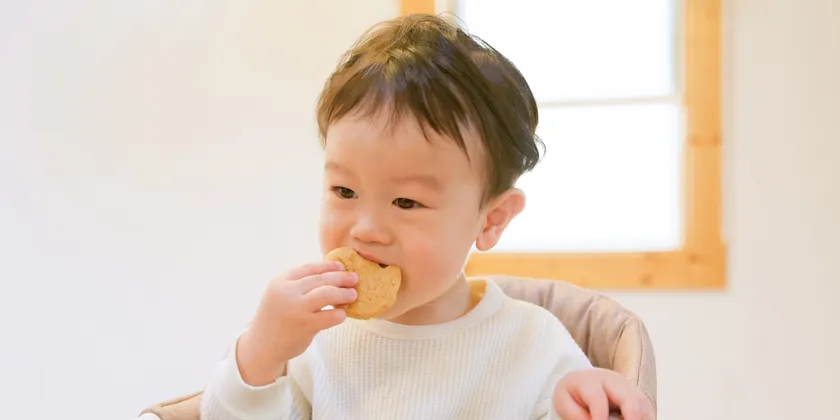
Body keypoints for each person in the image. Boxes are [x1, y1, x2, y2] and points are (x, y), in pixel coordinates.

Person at [200, 13, 655, 420]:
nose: (365, 229)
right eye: (345, 191)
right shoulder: (312, 339)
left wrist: (582, 402)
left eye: (406, 202)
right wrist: (259, 355)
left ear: (491, 219)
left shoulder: (534, 345)